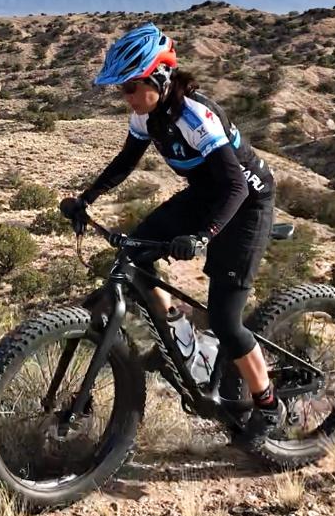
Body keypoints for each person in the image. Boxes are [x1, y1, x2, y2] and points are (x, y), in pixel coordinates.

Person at [60, 22, 284, 443]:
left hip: (246, 204)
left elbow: (236, 186)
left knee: (224, 318)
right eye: (121, 89)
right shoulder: (148, 115)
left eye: (129, 87)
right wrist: (85, 200)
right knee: (136, 252)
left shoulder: (194, 116)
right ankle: (180, 335)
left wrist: (204, 236)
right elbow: (124, 163)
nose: (124, 96)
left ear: (159, 78)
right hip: (206, 194)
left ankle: (269, 404)